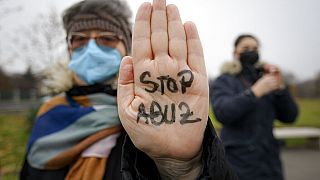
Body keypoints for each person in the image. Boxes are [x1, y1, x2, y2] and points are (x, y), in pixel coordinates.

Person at [20, 0, 237, 179]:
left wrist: (182, 167)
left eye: (107, 38)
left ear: (127, 46)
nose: (92, 48)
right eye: (80, 39)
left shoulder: (143, 111)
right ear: (69, 48)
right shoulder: (48, 113)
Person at [210, 34, 299, 180]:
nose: (251, 51)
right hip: (238, 162)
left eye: (255, 48)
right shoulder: (225, 80)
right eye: (245, 48)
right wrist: (254, 92)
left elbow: (290, 116)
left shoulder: (265, 80)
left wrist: (280, 89)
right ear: (235, 53)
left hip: (270, 162)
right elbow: (222, 113)